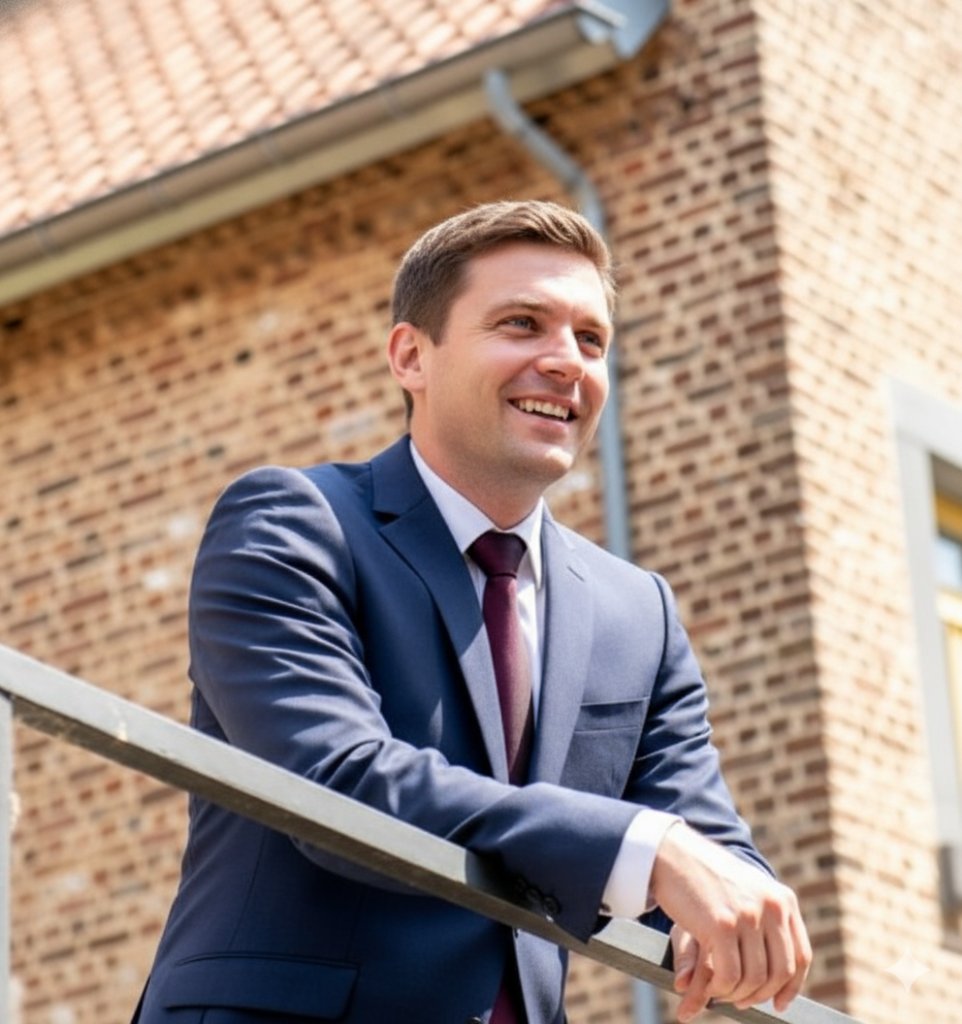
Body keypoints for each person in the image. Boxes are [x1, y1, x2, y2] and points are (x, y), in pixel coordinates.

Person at [132, 200, 811, 1024]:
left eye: (590, 340)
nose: (566, 362)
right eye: (523, 324)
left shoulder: (641, 615)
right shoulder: (292, 522)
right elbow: (335, 783)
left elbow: (702, 838)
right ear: (410, 356)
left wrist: (742, 904)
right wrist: (648, 850)